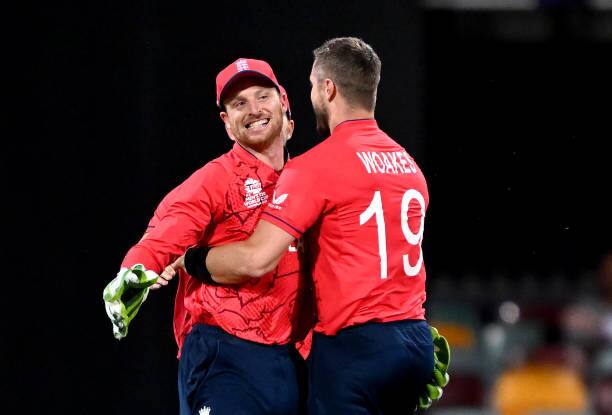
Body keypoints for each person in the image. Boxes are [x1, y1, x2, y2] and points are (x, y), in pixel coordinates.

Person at [177, 37, 441, 414]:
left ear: (328, 88)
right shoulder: (409, 167)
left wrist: (191, 260)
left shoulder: (318, 165)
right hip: (414, 344)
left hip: (354, 349)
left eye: (312, 86)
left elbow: (256, 259)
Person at [106, 58, 311, 415]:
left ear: (285, 104)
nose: (253, 109)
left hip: (296, 358)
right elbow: (165, 234)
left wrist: (397, 332)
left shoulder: (310, 179)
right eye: (238, 104)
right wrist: (134, 270)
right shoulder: (215, 179)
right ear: (227, 125)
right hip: (226, 355)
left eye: (263, 96)